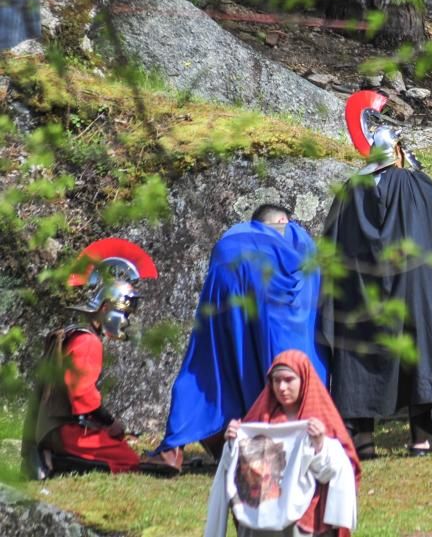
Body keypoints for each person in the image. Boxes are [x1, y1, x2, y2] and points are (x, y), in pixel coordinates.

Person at [322, 96, 432, 459]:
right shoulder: (417, 185)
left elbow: (331, 246)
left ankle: (364, 441)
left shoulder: (349, 192)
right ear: (397, 152)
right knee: (418, 352)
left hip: (360, 290)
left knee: (358, 352)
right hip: (412, 287)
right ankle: (421, 439)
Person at [147, 204, 325, 471]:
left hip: (230, 276)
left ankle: (173, 451)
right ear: (282, 219)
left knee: (208, 363)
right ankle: (283, 446)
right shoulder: (300, 240)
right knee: (280, 368)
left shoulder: (236, 236)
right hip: (280, 318)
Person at [206, 350, 360, 537]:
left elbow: (343, 468)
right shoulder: (260, 421)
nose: (282, 387)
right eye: (276, 381)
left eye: (288, 380)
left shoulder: (321, 419)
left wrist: (320, 445)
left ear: (303, 379)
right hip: (265, 510)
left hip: (306, 512)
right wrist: (233, 444)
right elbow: (237, 468)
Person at [22, 280, 143, 477]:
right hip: (65, 431)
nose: (126, 320)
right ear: (105, 308)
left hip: (52, 427)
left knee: (118, 445)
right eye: (124, 313)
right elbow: (81, 394)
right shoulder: (88, 341)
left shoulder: (75, 333)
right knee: (128, 460)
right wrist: (110, 422)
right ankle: (61, 463)